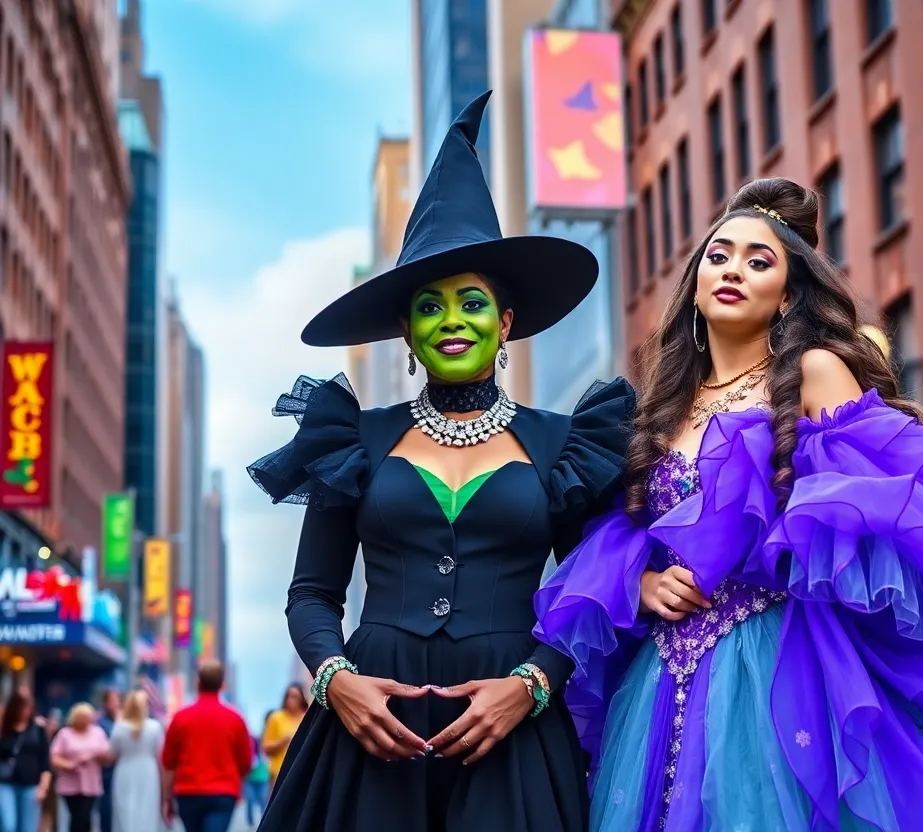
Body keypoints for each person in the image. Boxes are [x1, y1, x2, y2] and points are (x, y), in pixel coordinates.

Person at [534, 177, 923, 830]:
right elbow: (621, 538)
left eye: (758, 260)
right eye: (719, 255)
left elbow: (878, 517)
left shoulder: (815, 373)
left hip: (782, 668)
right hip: (660, 686)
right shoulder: (658, 405)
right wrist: (645, 581)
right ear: (695, 281)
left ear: (788, 294)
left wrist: (780, 551)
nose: (733, 270)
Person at [245, 89, 632, 831]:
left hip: (511, 734)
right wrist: (336, 682)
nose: (452, 320)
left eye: (473, 302)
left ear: (506, 323)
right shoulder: (351, 435)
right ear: (406, 331)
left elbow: (590, 593)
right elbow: (312, 593)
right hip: (369, 734)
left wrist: (532, 686)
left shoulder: (566, 442)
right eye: (429, 306)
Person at [160, 660, 251, 832]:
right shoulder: (235, 719)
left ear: (198, 682)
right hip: (223, 793)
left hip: (188, 793)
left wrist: (167, 798)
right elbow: (245, 762)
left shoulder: (181, 718)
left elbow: (168, 763)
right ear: (222, 685)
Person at [108, 691, 163, 832]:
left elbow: (111, 753)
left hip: (125, 769)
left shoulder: (119, 727)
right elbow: (161, 753)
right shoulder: (155, 727)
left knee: (125, 808)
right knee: (148, 808)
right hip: (148, 771)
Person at [48, 704, 109, 832]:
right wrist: (70, 764)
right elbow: (54, 757)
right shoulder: (65, 734)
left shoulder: (98, 733)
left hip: (90, 783)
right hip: (70, 784)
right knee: (76, 817)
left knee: (85, 816)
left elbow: (107, 757)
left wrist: (94, 756)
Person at [0, 688, 51, 832]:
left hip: (30, 785)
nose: (26, 710)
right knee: (8, 825)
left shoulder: (38, 729)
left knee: (27, 828)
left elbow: (45, 761)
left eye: (29, 706)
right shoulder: (4, 729)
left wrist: (43, 787)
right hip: (6, 783)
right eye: (22, 706)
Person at [261, 685, 306, 792]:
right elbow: (266, 747)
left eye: (294, 697)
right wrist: (282, 741)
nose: (290, 700)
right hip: (279, 773)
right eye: (288, 696)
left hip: (303, 772)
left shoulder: (307, 718)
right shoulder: (276, 718)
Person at [95, 689, 120, 832]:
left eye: (117, 700)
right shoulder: (100, 723)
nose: (115, 704)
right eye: (112, 701)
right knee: (106, 810)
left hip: (121, 771)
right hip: (106, 773)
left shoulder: (122, 719)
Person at [242, 719, 271, 828]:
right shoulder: (248, 747)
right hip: (250, 778)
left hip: (263, 777)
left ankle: (264, 821)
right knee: (250, 800)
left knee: (263, 800)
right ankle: (250, 822)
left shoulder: (263, 750)